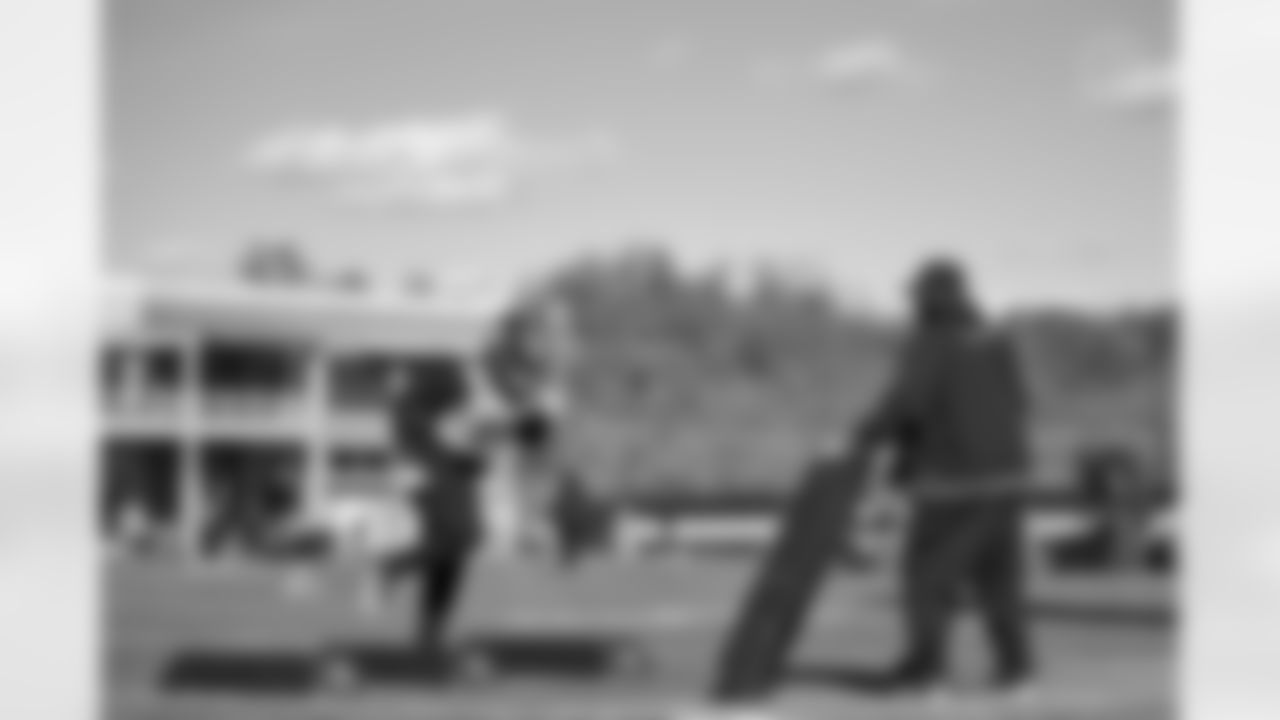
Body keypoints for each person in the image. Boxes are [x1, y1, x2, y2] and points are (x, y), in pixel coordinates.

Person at [854, 257, 1037, 693]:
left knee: (927, 581)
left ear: (924, 297)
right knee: (1001, 581)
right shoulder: (995, 339)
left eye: (914, 295)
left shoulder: (932, 340)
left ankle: (926, 671)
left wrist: (862, 437)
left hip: (951, 483)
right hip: (1008, 478)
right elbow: (1020, 401)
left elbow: (907, 404)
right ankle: (1018, 670)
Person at [390, 357, 493, 654]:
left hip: (445, 481)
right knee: (451, 544)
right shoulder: (417, 410)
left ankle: (431, 629)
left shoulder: (440, 410)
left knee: (454, 552)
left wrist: (474, 452)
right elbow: (435, 447)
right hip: (432, 480)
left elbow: (471, 459)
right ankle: (397, 570)